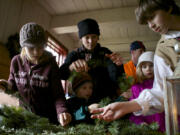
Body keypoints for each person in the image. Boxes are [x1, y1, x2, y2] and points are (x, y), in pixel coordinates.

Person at [91, 0, 180, 123]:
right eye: (147, 22)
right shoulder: (162, 50)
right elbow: (163, 93)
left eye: (152, 17)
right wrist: (127, 106)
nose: (151, 26)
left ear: (168, 6)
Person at [0, 22, 71, 126]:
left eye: (40, 47)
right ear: (23, 46)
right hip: (23, 116)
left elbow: (58, 94)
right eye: (31, 48)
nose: (36, 52)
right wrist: (5, 85)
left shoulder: (51, 64)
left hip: (46, 119)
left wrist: (62, 111)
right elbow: (12, 85)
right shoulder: (16, 61)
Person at [59, 18, 123, 102]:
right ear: (81, 38)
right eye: (87, 37)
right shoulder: (74, 55)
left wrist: (118, 66)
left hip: (104, 99)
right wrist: (70, 67)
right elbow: (61, 74)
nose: (91, 41)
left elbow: (116, 77)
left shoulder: (105, 53)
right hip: (80, 100)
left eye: (94, 37)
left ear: (98, 37)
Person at [129, 51, 165, 132]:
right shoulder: (136, 88)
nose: (148, 69)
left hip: (165, 124)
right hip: (148, 127)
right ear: (140, 69)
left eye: (151, 65)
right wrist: (140, 123)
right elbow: (133, 109)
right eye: (144, 67)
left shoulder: (162, 84)